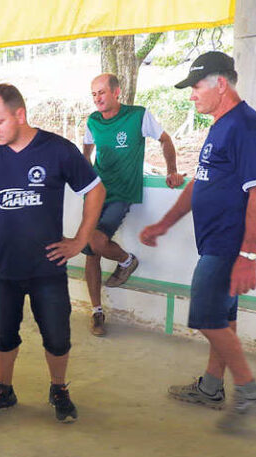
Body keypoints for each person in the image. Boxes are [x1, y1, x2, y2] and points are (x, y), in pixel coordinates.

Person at [140, 51, 256, 430]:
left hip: (229, 245)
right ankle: (212, 387)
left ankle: (249, 390)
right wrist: (164, 223)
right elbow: (200, 182)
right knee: (222, 319)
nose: (192, 95)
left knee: (205, 316)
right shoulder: (220, 125)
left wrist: (248, 254)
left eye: (196, 87)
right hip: (215, 240)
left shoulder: (245, 126)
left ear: (220, 84)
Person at [0, 83, 105, 422]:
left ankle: (59, 388)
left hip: (47, 266)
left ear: (20, 115)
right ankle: (4, 389)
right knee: (4, 334)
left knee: (57, 335)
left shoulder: (57, 150)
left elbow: (95, 191)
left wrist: (80, 240)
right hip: (2, 265)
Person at [82, 73, 185, 336]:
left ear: (117, 92)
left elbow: (165, 139)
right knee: (90, 251)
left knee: (95, 241)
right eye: (93, 94)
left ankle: (128, 261)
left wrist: (172, 171)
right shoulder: (93, 121)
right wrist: (80, 176)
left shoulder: (138, 115)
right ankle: (96, 312)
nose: (97, 99)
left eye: (102, 93)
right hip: (96, 192)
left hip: (122, 193)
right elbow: (86, 151)